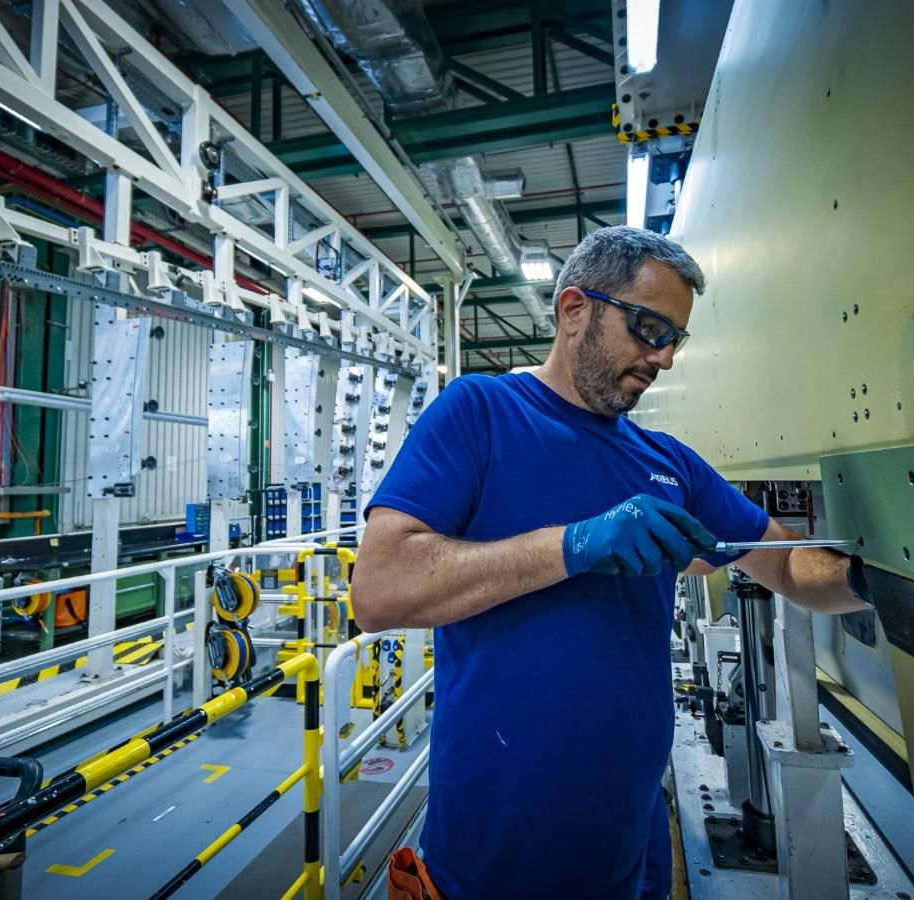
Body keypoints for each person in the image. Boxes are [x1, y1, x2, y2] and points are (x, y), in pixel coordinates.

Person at [350, 226, 873, 899]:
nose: (664, 358)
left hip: (630, 847)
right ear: (574, 310)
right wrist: (576, 545)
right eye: (649, 327)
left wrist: (870, 581)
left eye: (674, 339)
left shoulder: (669, 464)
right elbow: (379, 589)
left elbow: (788, 565)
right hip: (492, 861)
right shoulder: (480, 414)